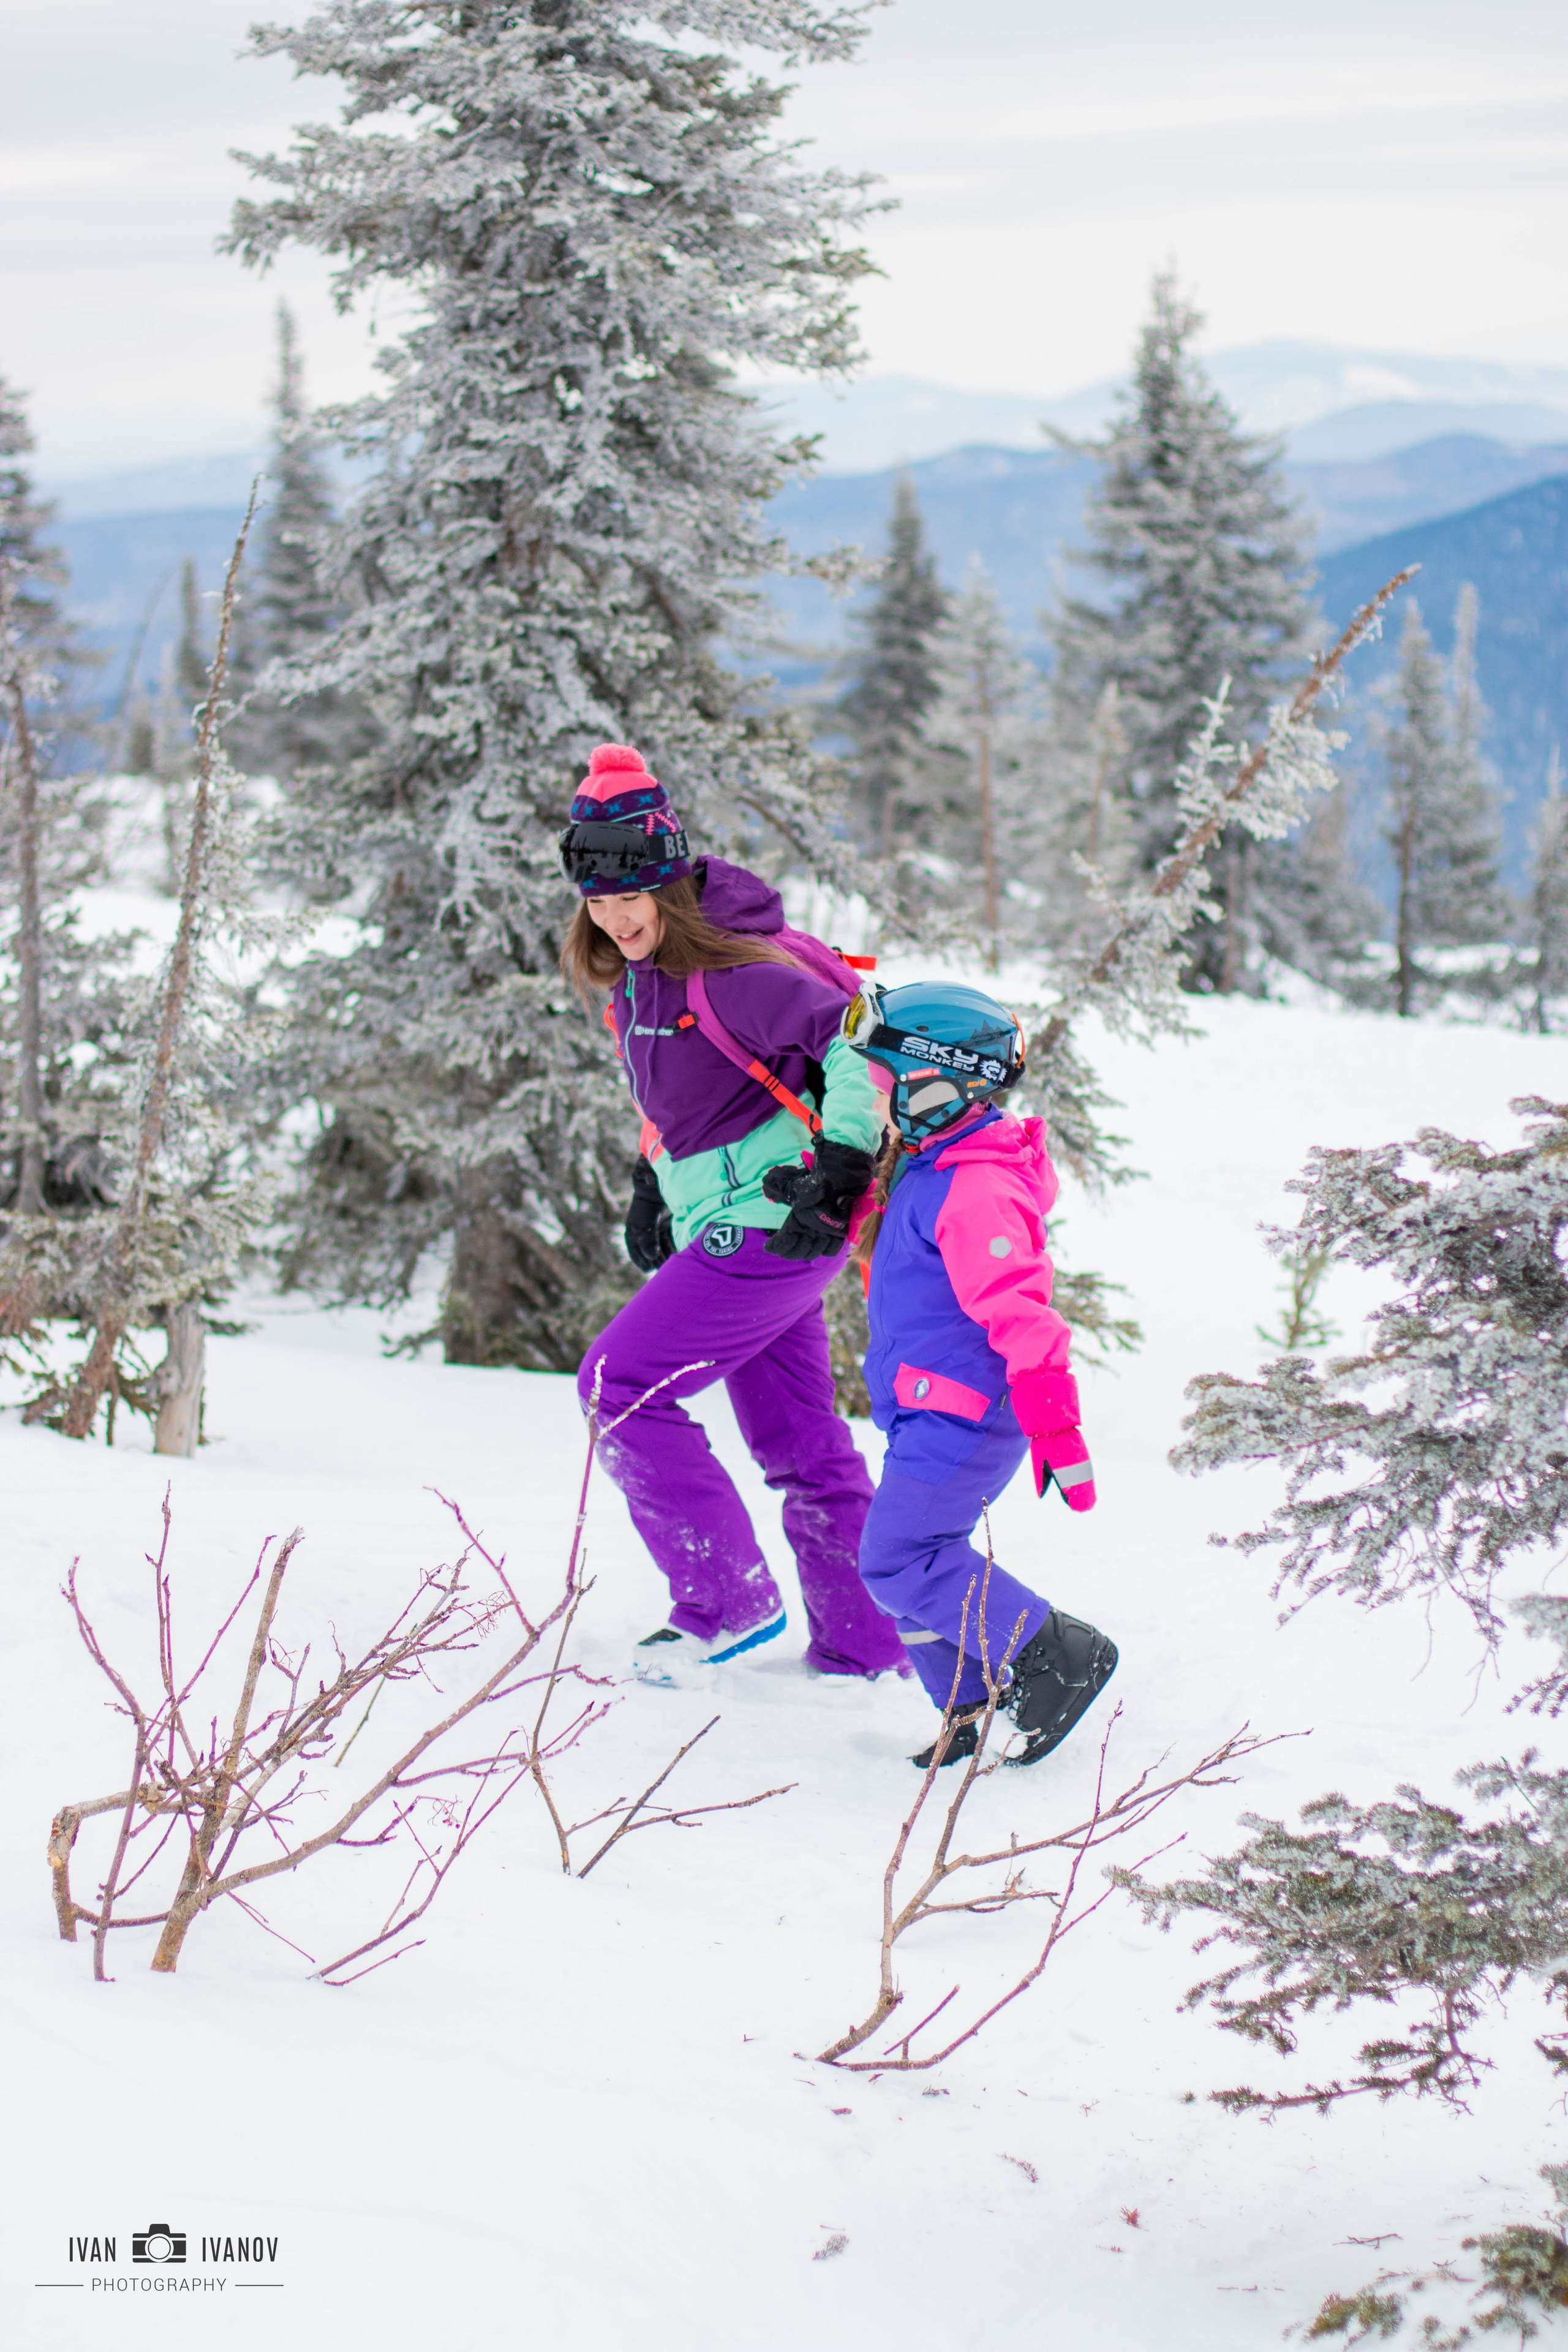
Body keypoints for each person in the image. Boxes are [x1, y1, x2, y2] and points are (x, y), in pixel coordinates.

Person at [558, 742, 907, 1686]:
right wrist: (650, 1179)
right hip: (754, 1225)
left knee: (616, 1386)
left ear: (668, 883)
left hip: (778, 1222)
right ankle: (865, 1647)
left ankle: (724, 1602)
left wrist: (842, 1166)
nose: (616, 916)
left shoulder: (732, 973)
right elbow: (678, 1101)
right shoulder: (639, 986)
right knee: (804, 1445)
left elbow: (855, 1050)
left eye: (631, 896)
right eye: (599, 900)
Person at [837, 976, 1118, 1768]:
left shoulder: (979, 1185)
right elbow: (894, 1239)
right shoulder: (931, 1165)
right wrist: (828, 1199)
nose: (878, 1095)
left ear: (942, 1081)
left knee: (899, 1557)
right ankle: (972, 1705)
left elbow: (1020, 1311)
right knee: (909, 1560)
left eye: (888, 1081)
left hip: (966, 1414)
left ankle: (1056, 1656)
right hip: (926, 1409)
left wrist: (1056, 1426)